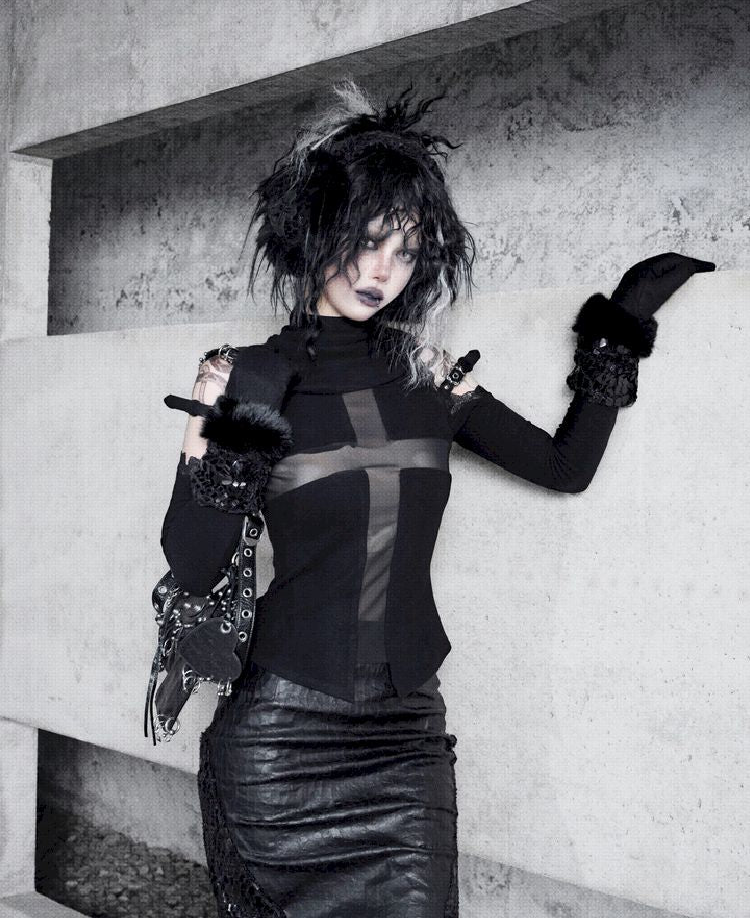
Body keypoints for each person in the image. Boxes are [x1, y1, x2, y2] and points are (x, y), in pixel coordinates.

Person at [159, 80, 714, 918]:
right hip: (282, 738)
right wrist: (226, 426)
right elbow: (196, 565)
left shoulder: (427, 378)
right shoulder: (249, 377)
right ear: (314, 230)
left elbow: (564, 467)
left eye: (407, 249)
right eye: (365, 239)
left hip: (407, 739)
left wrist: (622, 325)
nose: (381, 270)